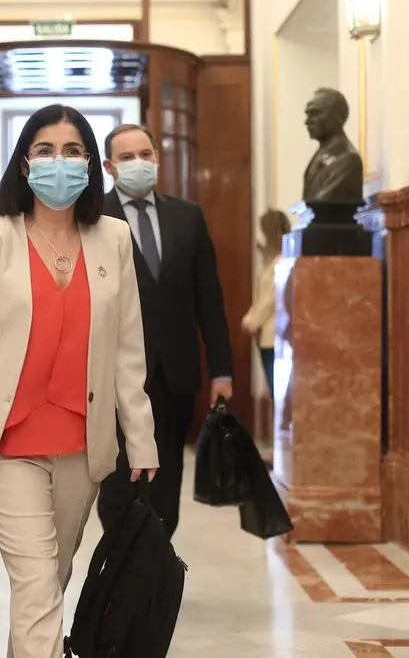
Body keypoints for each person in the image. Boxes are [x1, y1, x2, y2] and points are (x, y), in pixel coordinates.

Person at [0, 104, 159, 658]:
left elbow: (128, 347)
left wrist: (142, 434)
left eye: (72, 150)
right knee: (36, 581)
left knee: (47, 587)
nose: (60, 162)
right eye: (44, 150)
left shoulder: (114, 238)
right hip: (6, 442)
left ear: (90, 163)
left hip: (82, 444)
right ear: (24, 162)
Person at [96, 124, 234, 538]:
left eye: (146, 154)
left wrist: (222, 371)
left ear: (157, 158)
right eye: (126, 157)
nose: (138, 163)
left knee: (166, 479)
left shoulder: (188, 216)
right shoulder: (94, 218)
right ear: (108, 166)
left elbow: (209, 298)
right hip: (114, 376)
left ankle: (156, 569)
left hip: (175, 373)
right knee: (120, 481)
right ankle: (121, 574)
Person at [242, 209, 291, 398]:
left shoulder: (280, 263)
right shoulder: (272, 261)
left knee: (278, 393)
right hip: (267, 336)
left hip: (274, 336)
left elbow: (270, 300)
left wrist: (251, 322)